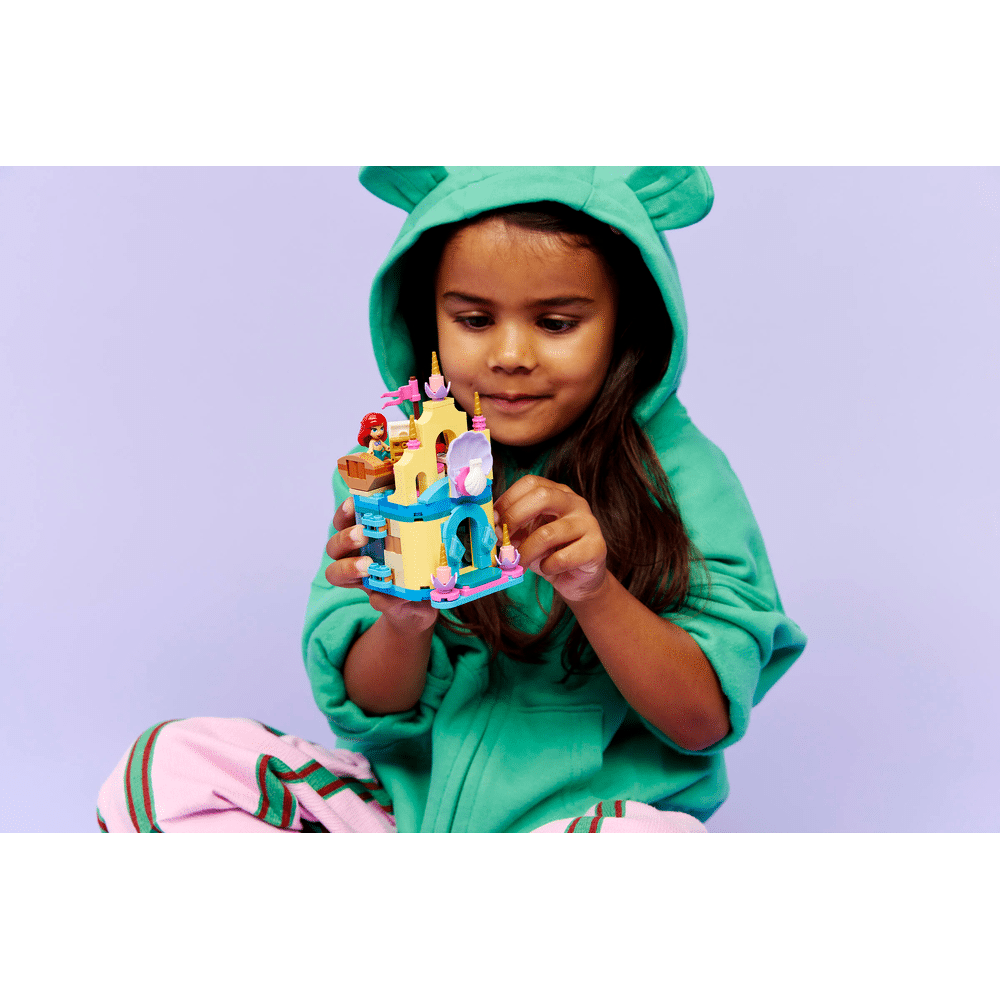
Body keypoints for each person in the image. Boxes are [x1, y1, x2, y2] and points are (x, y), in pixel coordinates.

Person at [97, 166, 806, 834]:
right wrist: (402, 625)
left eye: (556, 323)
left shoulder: (685, 477)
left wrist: (595, 591)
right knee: (169, 768)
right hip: (404, 815)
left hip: (580, 824)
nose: (510, 355)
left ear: (628, 325)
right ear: (427, 318)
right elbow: (370, 712)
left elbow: (701, 723)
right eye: (473, 319)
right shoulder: (398, 460)